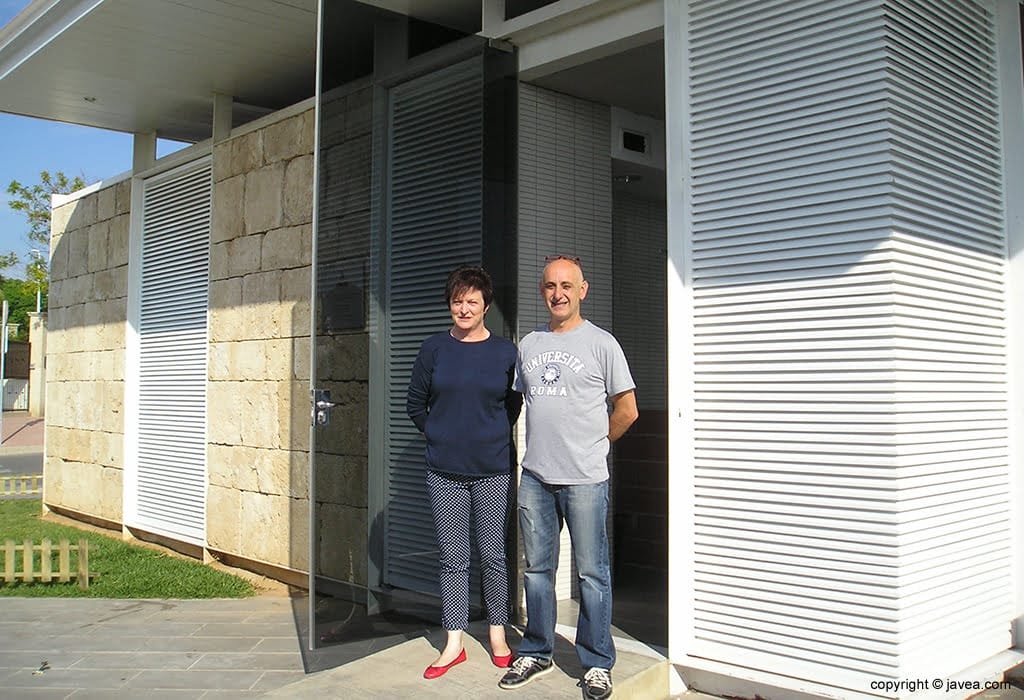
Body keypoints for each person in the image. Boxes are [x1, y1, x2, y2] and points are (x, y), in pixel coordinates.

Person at [499, 255, 638, 700]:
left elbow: (627, 409)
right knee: (537, 571)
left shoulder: (602, 344)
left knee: (592, 574)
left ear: (583, 290)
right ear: (542, 291)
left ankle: (596, 663)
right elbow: (521, 402)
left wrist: (597, 446)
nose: (557, 293)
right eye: (549, 286)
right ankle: (537, 650)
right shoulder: (530, 345)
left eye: (566, 285)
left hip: (585, 479)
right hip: (536, 478)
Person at [406, 265, 522, 680]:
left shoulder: (506, 352)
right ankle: (453, 642)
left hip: (493, 468)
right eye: (458, 300)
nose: (464, 308)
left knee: (493, 557)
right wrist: (440, 434)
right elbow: (415, 404)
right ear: (450, 305)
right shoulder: (433, 348)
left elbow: (512, 404)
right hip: (444, 470)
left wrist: (485, 435)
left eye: (472, 300)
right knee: (452, 558)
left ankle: (497, 634)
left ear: (486, 305)